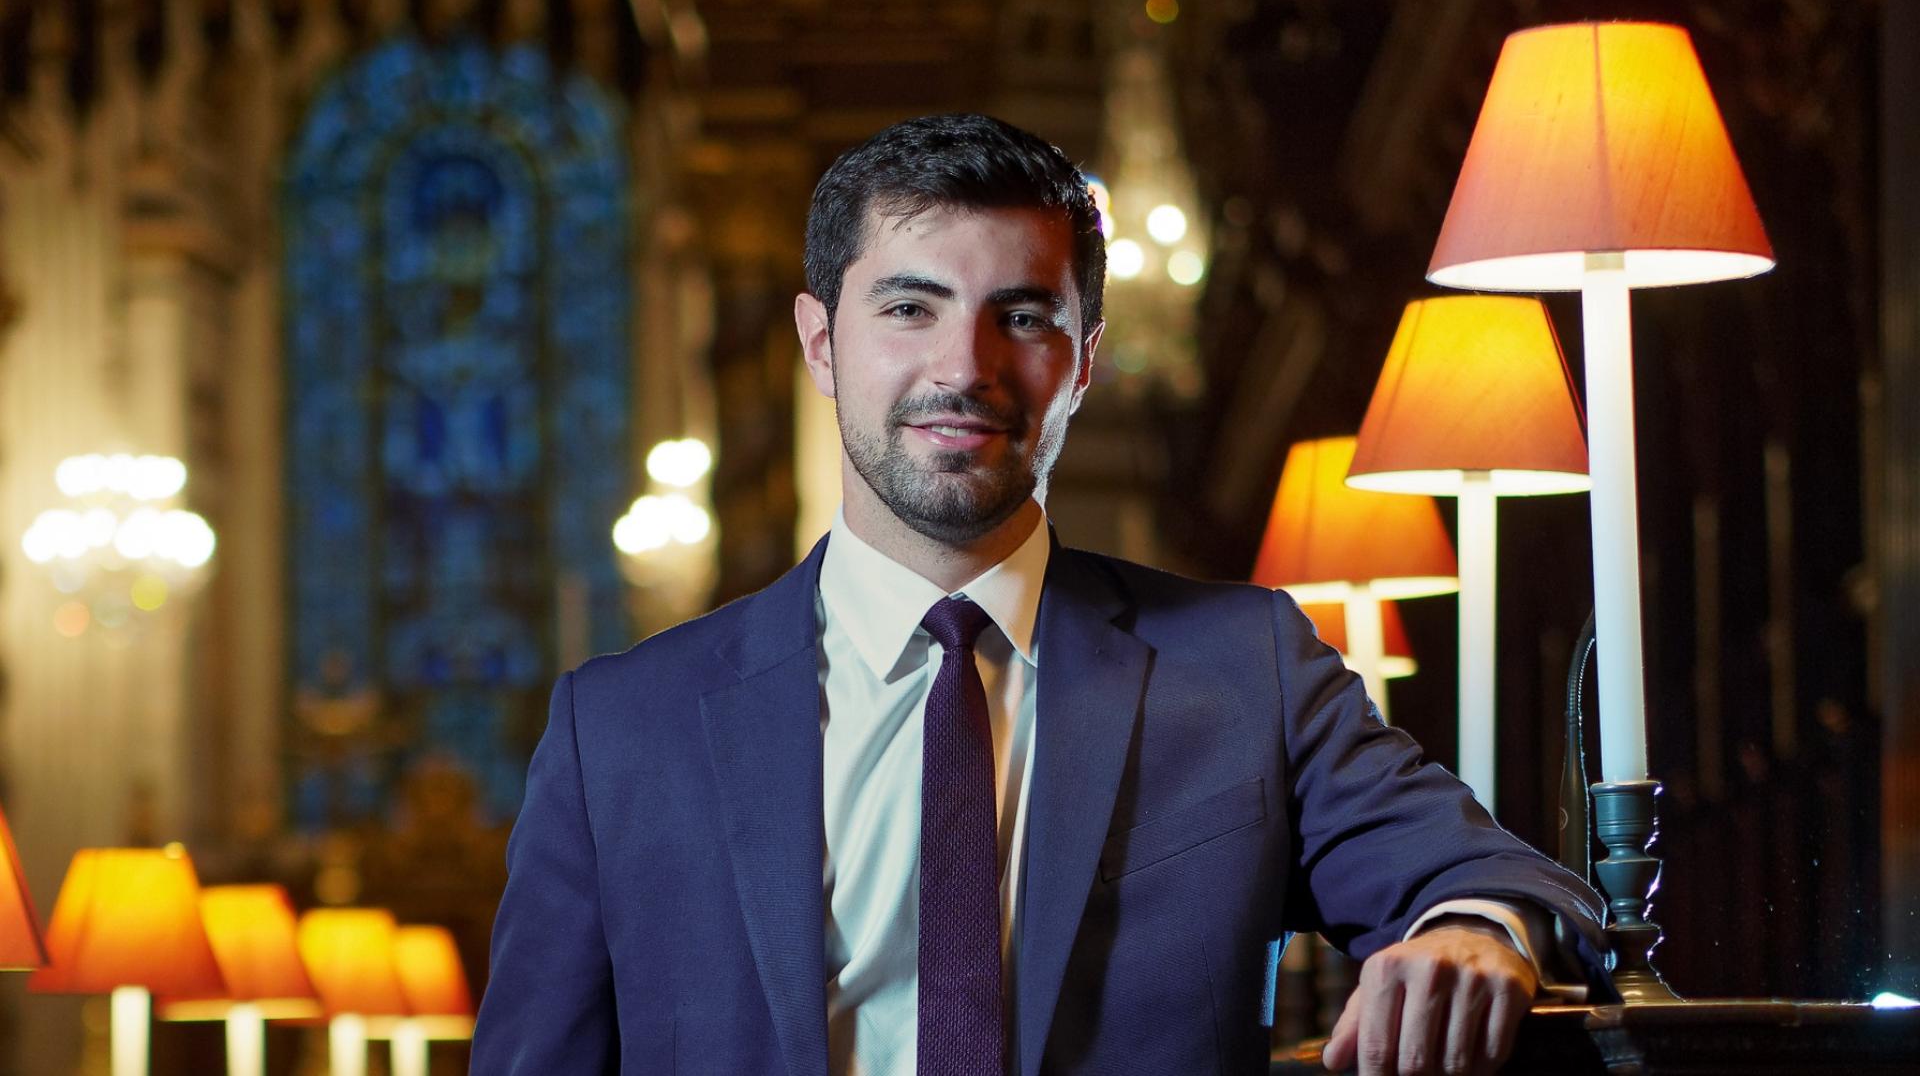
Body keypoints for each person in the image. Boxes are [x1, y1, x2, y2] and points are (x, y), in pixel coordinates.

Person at [473, 114, 1612, 1076]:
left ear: (1085, 358)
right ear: (821, 342)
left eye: (1021, 317)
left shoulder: (1244, 667)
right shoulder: (618, 730)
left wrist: (1472, 927)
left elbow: (1495, 875)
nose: (964, 367)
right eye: (908, 308)